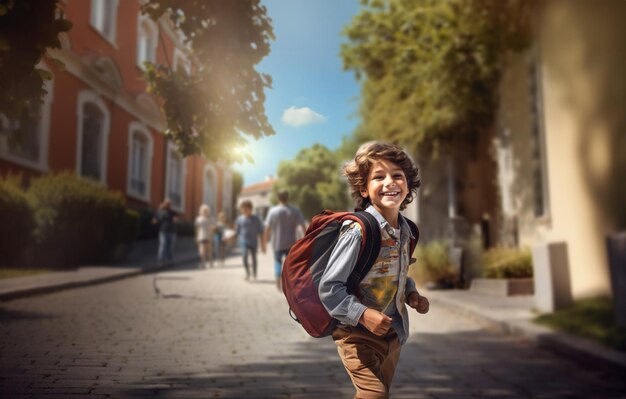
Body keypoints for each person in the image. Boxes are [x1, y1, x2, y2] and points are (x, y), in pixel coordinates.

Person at [318, 141, 430, 399]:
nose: (390, 182)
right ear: (364, 189)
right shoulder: (358, 231)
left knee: (380, 394)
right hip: (355, 333)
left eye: (397, 176)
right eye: (379, 176)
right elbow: (329, 288)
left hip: (393, 333)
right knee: (375, 395)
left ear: (408, 185)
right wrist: (363, 314)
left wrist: (412, 295)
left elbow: (396, 272)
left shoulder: (407, 230)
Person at [264, 190, 307, 290]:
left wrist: (264, 242)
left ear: (278, 198)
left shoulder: (272, 211)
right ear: (288, 198)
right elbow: (303, 225)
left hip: (277, 243)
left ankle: (278, 280)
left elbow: (267, 228)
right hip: (291, 242)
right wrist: (305, 239)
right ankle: (290, 283)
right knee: (289, 264)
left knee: (278, 262)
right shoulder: (295, 210)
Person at [234, 200, 266, 281]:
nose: (243, 211)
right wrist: (230, 238)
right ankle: (248, 273)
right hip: (243, 241)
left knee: (254, 258)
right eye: (242, 210)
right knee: (244, 256)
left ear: (250, 209)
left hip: (253, 242)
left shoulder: (256, 219)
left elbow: (261, 232)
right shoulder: (239, 219)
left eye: (245, 210)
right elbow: (237, 231)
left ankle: (254, 274)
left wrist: (262, 244)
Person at [152, 199, 178, 265]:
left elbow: (176, 219)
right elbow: (155, 219)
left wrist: (175, 220)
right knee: (163, 245)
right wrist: (154, 221)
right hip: (163, 231)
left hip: (172, 231)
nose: (168, 204)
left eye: (169, 203)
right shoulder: (160, 211)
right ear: (164, 203)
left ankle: (169, 258)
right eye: (167, 203)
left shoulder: (172, 212)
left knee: (171, 246)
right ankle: (161, 259)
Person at [195, 204, 214, 269]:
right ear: (200, 211)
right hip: (201, 236)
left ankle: (210, 262)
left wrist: (212, 234)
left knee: (209, 251)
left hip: (208, 236)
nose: (204, 212)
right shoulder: (198, 219)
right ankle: (203, 263)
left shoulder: (210, 219)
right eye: (203, 210)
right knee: (202, 251)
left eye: (206, 210)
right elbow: (197, 228)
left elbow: (212, 228)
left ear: (208, 211)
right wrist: (197, 237)